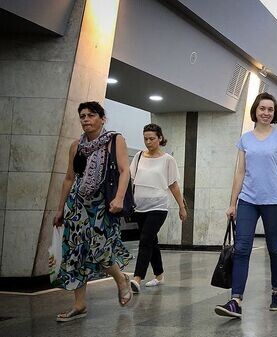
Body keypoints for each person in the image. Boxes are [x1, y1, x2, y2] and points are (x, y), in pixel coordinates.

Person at [214, 93, 277, 319]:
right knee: (242, 249)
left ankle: (276, 292)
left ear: (275, 113)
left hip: (273, 202)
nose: (266, 113)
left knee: (274, 249)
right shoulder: (245, 140)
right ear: (255, 110)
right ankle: (236, 300)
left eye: (270, 109)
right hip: (248, 201)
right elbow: (240, 172)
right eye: (262, 108)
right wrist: (232, 203)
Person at [52, 101, 133, 322]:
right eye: (82, 116)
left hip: (103, 204)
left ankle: (121, 279)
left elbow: (125, 171)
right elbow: (69, 178)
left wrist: (118, 198)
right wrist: (60, 209)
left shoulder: (115, 140)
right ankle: (79, 305)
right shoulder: (76, 146)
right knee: (76, 253)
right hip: (77, 205)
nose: (86, 119)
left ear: (102, 118)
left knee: (101, 250)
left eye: (91, 115)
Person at [129, 124, 187, 294]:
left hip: (158, 206)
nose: (148, 142)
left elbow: (173, 185)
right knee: (151, 240)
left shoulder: (167, 159)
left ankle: (137, 278)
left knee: (145, 240)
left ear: (160, 138)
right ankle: (159, 275)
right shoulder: (139, 156)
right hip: (139, 207)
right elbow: (130, 179)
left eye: (152, 138)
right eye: (145, 138)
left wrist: (181, 207)